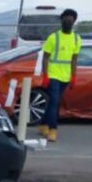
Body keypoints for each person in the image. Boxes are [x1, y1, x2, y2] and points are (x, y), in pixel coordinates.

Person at [38, 9, 81, 142]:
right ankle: (53, 129)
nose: (68, 21)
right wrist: (45, 75)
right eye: (66, 18)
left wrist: (73, 76)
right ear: (61, 20)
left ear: (74, 21)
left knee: (53, 102)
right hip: (53, 74)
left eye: (71, 19)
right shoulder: (53, 37)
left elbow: (74, 59)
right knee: (55, 101)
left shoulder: (76, 38)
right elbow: (45, 57)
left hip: (66, 75)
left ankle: (43, 125)